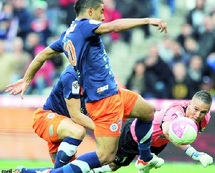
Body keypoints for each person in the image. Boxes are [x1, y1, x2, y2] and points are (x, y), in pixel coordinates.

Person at [6, 0, 168, 172]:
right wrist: (147, 20)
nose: (103, 16)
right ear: (90, 12)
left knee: (147, 111)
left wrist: (26, 79)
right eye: (101, 11)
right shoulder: (85, 26)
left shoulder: (67, 35)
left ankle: (144, 158)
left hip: (114, 92)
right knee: (106, 157)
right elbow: (113, 27)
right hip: (103, 98)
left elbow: (41, 56)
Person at [90, 90, 214, 173]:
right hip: (135, 135)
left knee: (146, 167)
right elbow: (168, 132)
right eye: (196, 109)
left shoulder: (205, 118)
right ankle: (89, 170)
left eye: (203, 112)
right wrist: (195, 154)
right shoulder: (176, 110)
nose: (198, 115)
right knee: (114, 165)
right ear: (190, 103)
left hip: (157, 143)